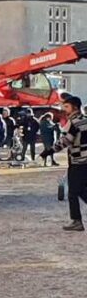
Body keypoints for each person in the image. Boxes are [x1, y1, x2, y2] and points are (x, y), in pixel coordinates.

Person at [55, 95, 87, 231]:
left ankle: (76, 221)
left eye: (67, 106)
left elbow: (65, 141)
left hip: (77, 160)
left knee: (73, 192)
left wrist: (50, 150)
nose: (64, 109)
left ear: (74, 107)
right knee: (82, 189)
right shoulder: (85, 120)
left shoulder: (73, 122)